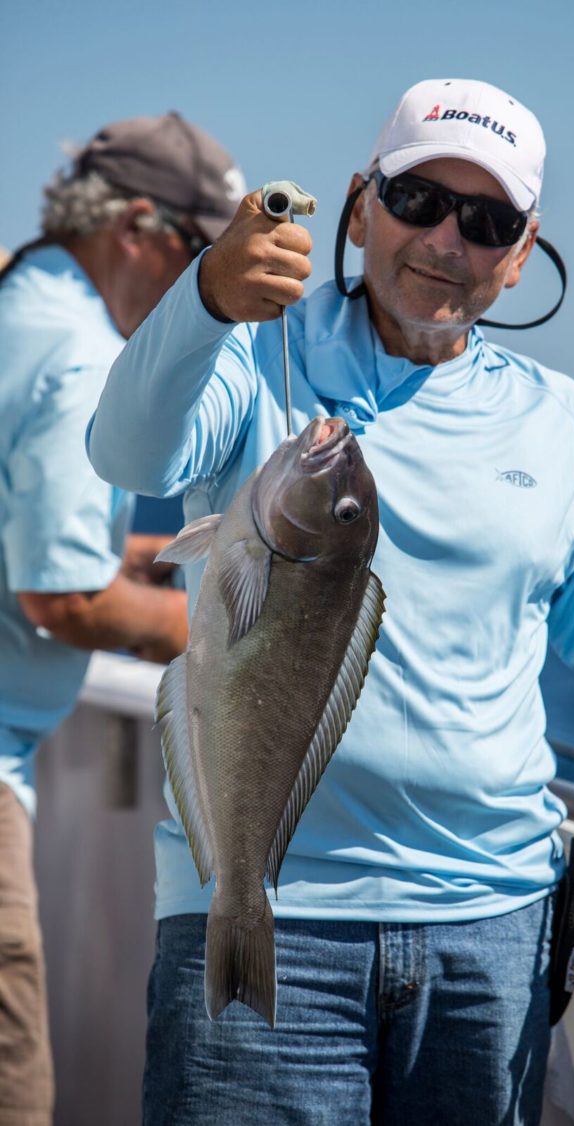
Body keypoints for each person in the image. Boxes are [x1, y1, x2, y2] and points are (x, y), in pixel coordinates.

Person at [87, 79, 574, 1126]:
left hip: (492, 934)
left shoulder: (570, 428)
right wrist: (207, 294)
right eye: (418, 200)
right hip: (261, 908)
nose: (447, 239)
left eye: (487, 223)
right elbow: (126, 451)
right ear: (360, 205)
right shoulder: (259, 351)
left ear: (523, 252)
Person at [0, 111, 245, 1125]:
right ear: (140, 227)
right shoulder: (75, 354)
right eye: (203, 266)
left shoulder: (19, 299)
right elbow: (61, 596)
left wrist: (209, 555)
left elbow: (35, 538)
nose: (208, 306)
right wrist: (250, 646)